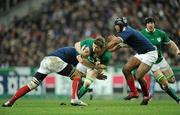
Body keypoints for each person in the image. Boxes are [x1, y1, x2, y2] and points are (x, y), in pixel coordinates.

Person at [2, 46, 91, 107]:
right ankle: (74, 99)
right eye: (86, 51)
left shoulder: (76, 59)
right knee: (77, 75)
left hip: (46, 61)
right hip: (54, 61)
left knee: (32, 85)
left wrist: (85, 79)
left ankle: (10, 102)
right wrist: (90, 76)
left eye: (88, 53)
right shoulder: (76, 51)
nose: (87, 54)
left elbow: (77, 76)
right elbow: (78, 74)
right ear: (81, 49)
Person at [107, 17, 158, 105]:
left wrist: (103, 48)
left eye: (116, 25)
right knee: (126, 69)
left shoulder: (127, 31)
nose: (115, 27)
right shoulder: (126, 32)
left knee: (138, 75)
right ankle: (134, 92)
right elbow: (118, 45)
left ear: (121, 25)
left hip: (150, 54)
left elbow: (115, 41)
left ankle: (146, 95)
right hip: (141, 53)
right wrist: (108, 51)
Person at [141, 17, 180, 103]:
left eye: (152, 23)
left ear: (154, 24)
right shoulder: (142, 34)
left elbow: (170, 43)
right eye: (148, 23)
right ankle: (177, 99)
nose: (150, 24)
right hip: (151, 63)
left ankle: (160, 81)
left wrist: (177, 50)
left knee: (172, 80)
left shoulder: (161, 33)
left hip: (161, 60)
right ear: (146, 25)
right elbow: (134, 43)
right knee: (165, 83)